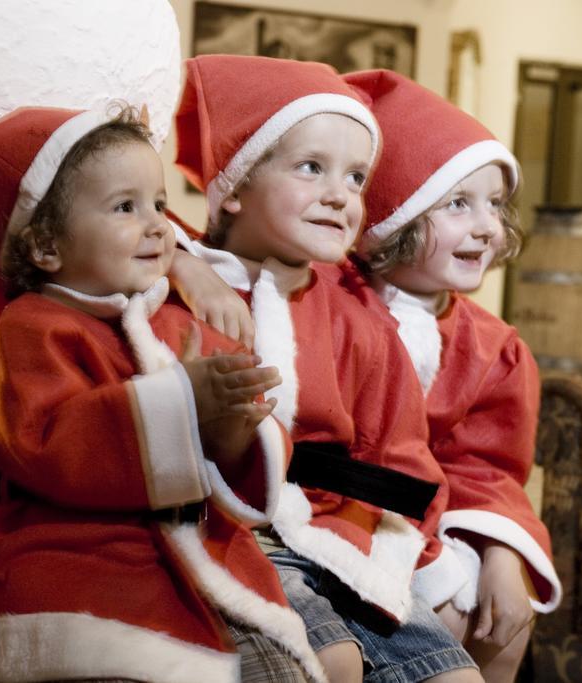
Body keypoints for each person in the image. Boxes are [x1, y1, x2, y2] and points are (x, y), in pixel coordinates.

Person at [0, 103, 326, 682]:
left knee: (278, 670)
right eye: (125, 207)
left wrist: (236, 429)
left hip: (198, 559)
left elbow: (249, 435)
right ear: (46, 247)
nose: (161, 225)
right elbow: (48, 443)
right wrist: (177, 403)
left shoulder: (174, 319)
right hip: (73, 567)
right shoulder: (32, 329)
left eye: (159, 204)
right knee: (120, 665)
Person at [170, 54, 480, 682]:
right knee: (332, 662)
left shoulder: (361, 319)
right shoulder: (183, 293)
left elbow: (400, 454)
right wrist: (179, 259)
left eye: (358, 178)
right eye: (312, 168)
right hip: (233, 537)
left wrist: (371, 539)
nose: (341, 194)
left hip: (342, 537)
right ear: (233, 189)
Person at [344, 69, 562, 682]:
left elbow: (486, 470)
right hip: (342, 524)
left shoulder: (494, 350)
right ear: (396, 214)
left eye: (495, 204)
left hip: (435, 527)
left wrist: (501, 555)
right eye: (458, 204)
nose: (489, 225)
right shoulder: (332, 305)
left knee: (505, 620)